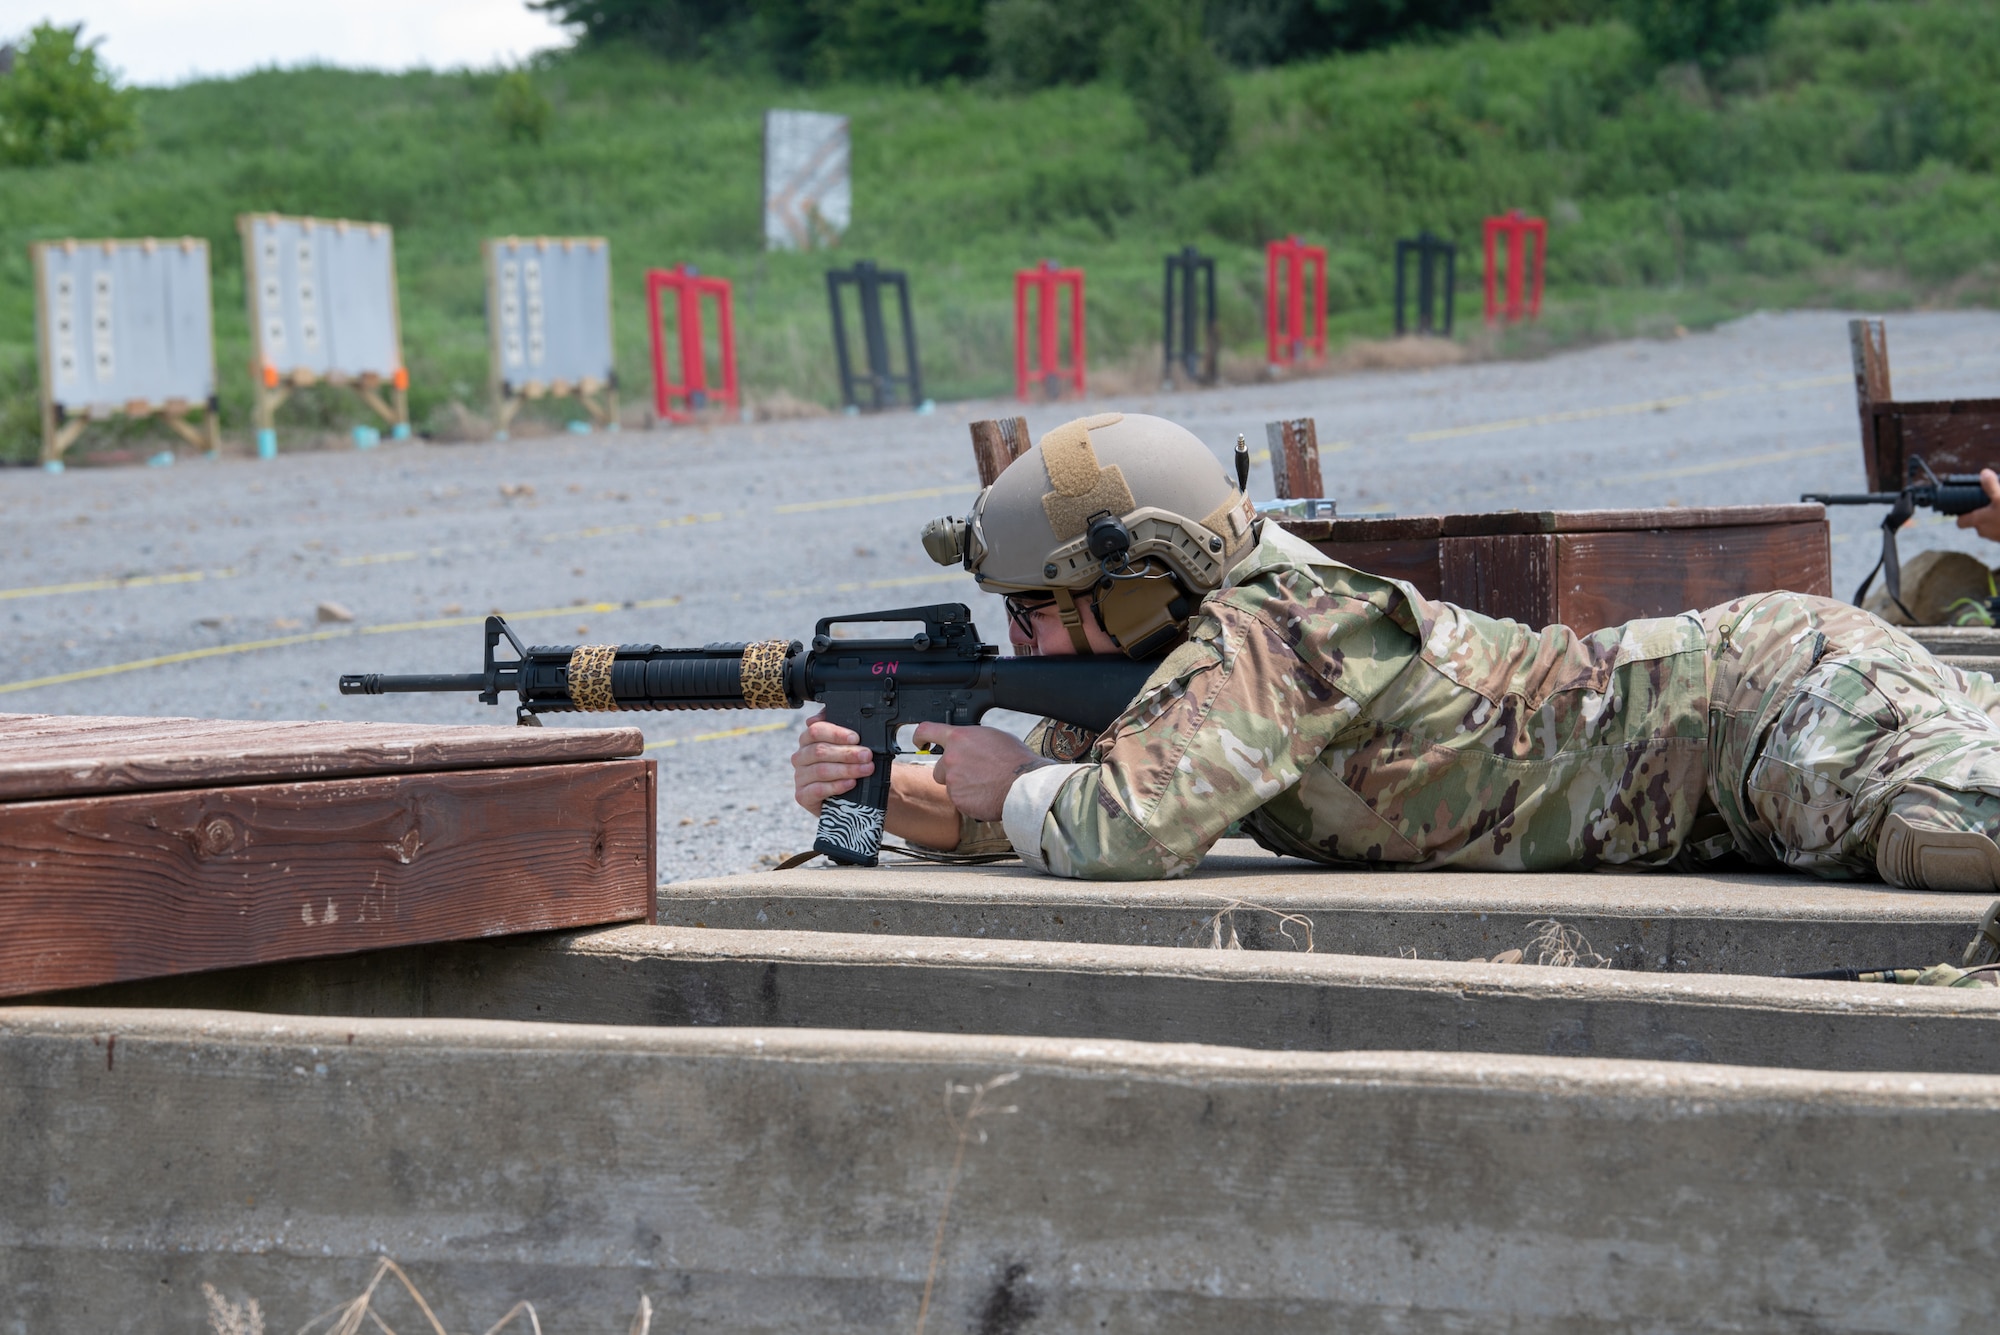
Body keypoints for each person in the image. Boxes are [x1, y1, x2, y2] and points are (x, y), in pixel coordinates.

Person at [794, 411, 2000, 890]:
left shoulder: (1284, 622)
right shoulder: (1178, 671)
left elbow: (1122, 827)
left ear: (1149, 576)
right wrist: (900, 797)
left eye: (1039, 612)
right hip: (1721, 776)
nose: (1025, 642)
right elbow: (1061, 790)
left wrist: (1003, 792)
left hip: (1764, 705)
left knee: (1948, 837)